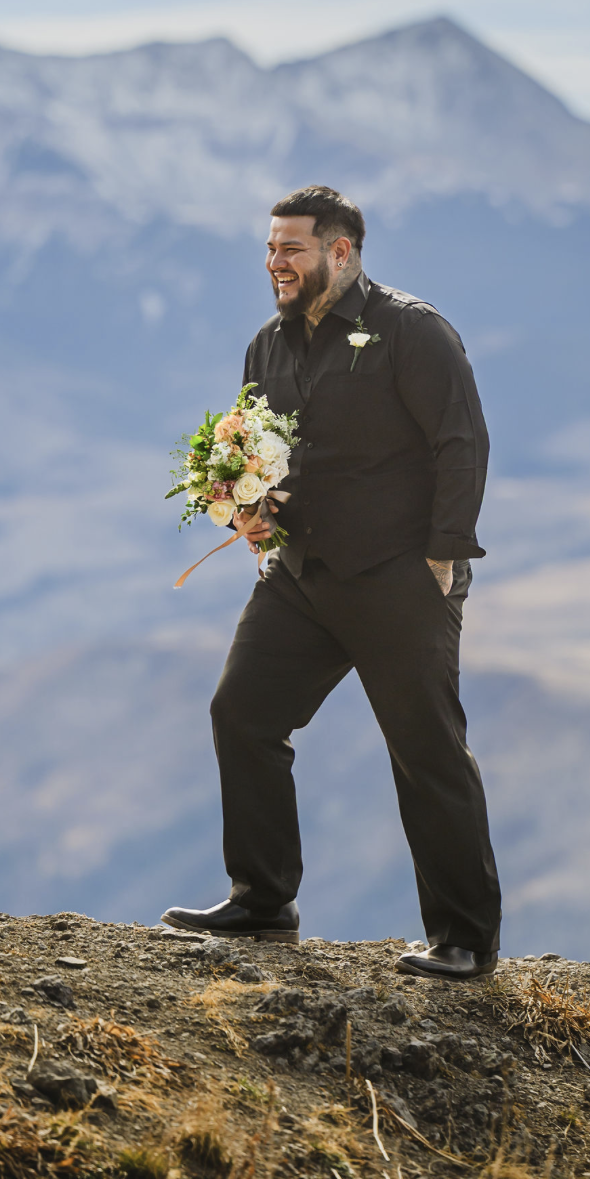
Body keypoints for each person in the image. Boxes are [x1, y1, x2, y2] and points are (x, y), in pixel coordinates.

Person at [162, 185, 501, 979]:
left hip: (399, 577)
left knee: (426, 750)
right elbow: (266, 454)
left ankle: (464, 940)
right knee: (241, 712)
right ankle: (263, 901)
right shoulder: (266, 347)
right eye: (271, 248)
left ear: (340, 253)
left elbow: (462, 442)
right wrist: (251, 508)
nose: (276, 263)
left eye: (293, 249)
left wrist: (441, 559)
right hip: (302, 574)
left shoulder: (411, 332)